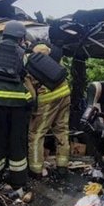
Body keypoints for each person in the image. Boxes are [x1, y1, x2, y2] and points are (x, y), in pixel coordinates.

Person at [0, 21, 33, 188]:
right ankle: (18, 181)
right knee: (17, 141)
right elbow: (24, 74)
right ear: (20, 37)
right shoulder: (22, 53)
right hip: (18, 104)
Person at [27, 43, 71, 180]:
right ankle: (62, 167)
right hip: (65, 93)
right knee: (62, 130)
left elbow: (32, 95)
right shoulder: (55, 59)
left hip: (47, 99)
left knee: (37, 134)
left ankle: (36, 170)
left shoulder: (30, 64)